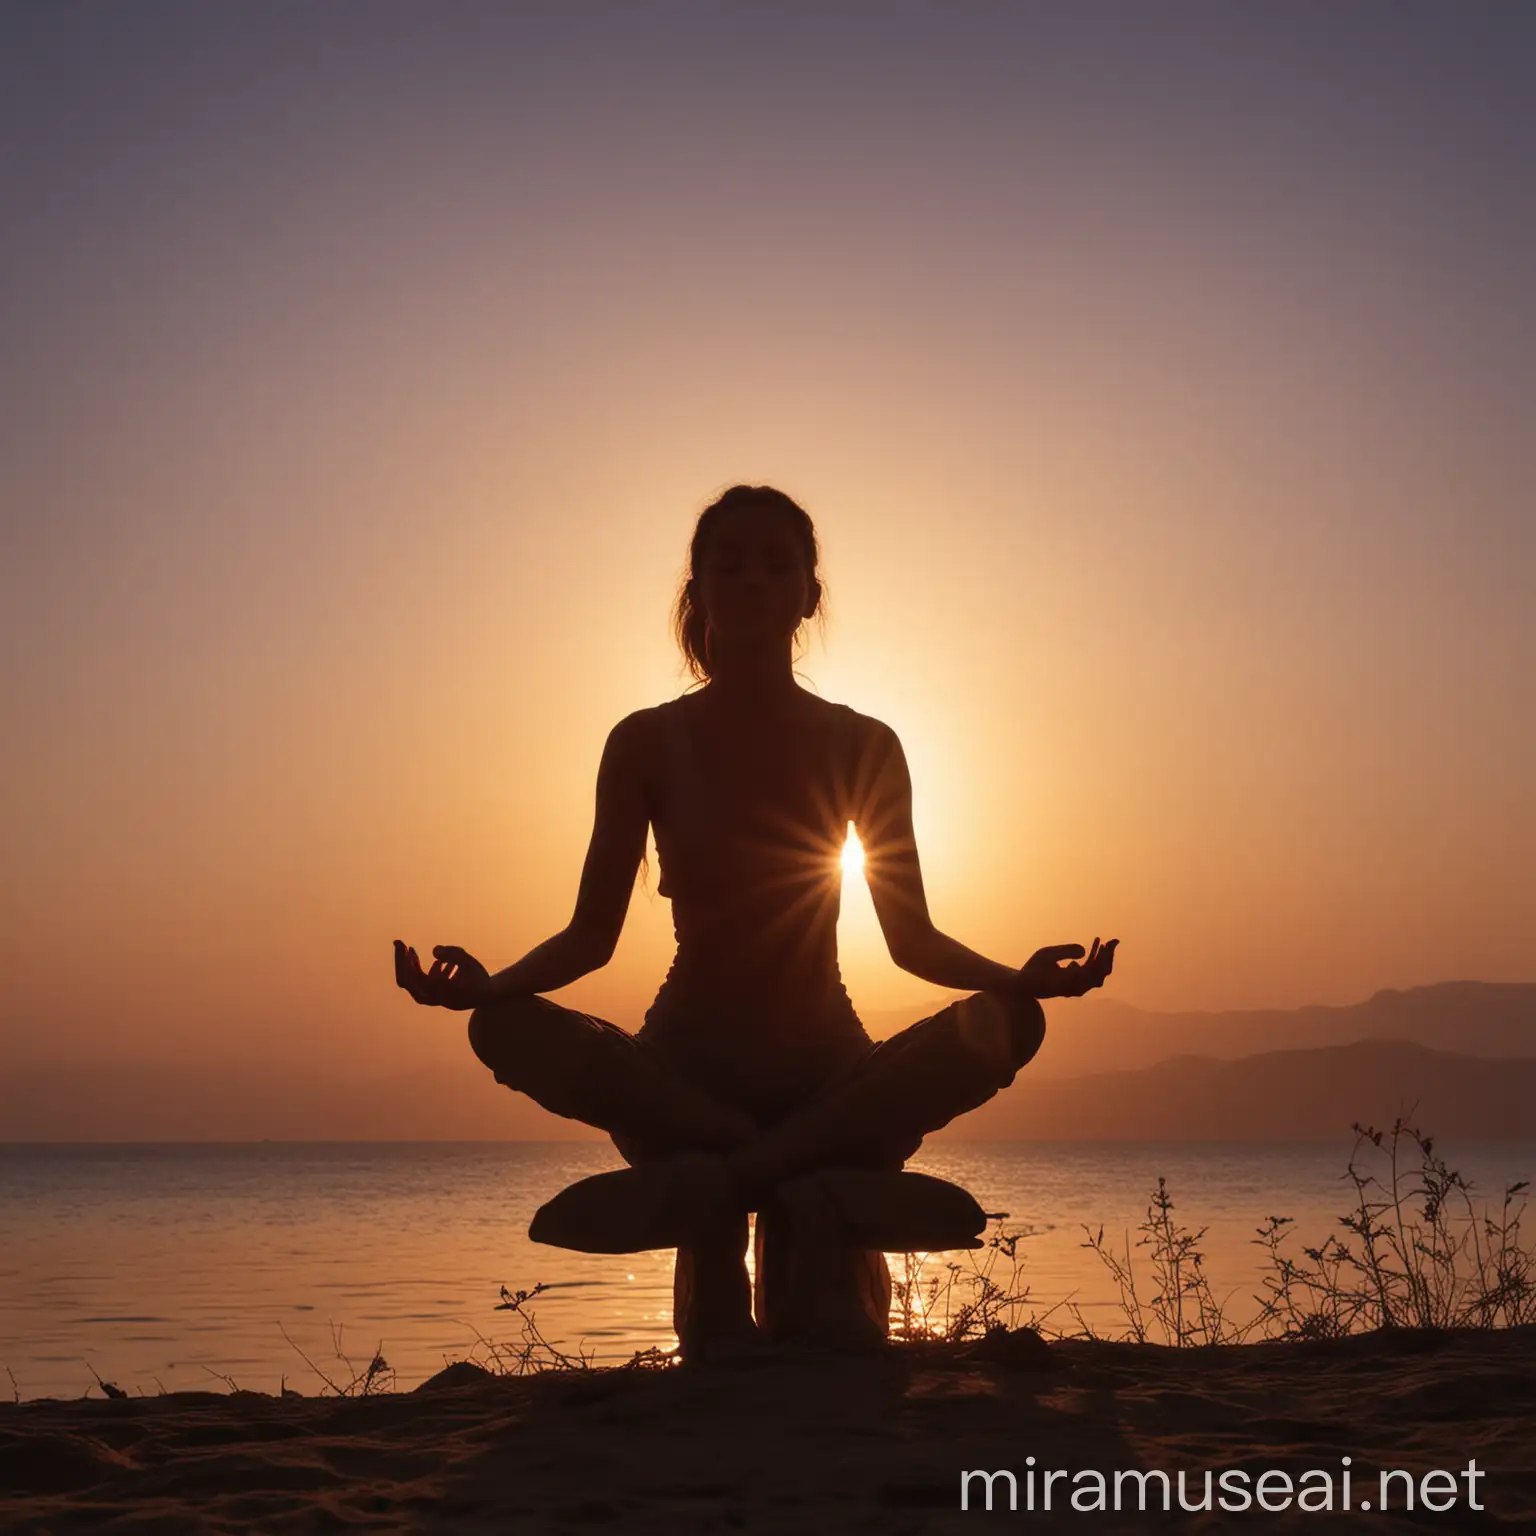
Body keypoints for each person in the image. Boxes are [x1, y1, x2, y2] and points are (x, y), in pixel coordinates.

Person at [395, 483, 1118, 1357]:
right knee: (502, 1030)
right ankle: (791, 1175)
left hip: (828, 1070)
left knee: (1010, 1024)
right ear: (695, 591)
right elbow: (591, 936)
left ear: (809, 594)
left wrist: (1017, 980)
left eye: (777, 565)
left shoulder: (864, 744)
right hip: (682, 1078)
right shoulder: (644, 743)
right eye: (727, 564)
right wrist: (488, 989)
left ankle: (726, 1183)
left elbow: (912, 940)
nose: (751, 581)